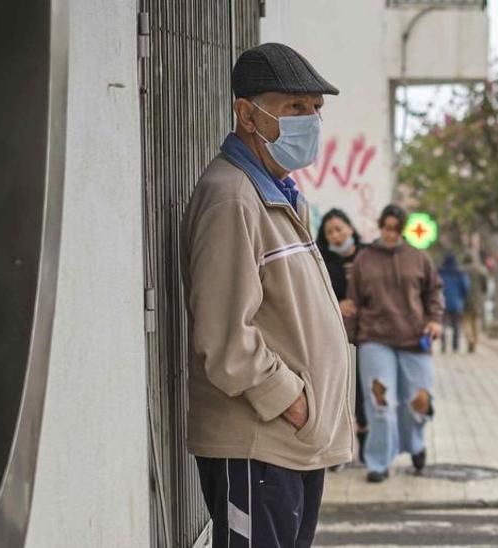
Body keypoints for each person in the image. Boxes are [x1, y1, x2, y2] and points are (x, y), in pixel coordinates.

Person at [181, 42, 351, 548]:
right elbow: (225, 336)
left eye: (316, 108)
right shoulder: (232, 196)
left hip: (289, 445)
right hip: (258, 444)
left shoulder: (277, 194)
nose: (311, 119)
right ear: (247, 115)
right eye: (294, 107)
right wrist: (291, 401)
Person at [348, 205, 444, 483]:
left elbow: (434, 292)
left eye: (396, 228)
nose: (390, 233)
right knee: (381, 402)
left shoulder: (418, 258)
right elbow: (354, 301)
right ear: (380, 226)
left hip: (415, 338)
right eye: (386, 227)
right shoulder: (364, 260)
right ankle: (379, 461)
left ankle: (415, 444)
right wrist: (350, 337)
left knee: (418, 400)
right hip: (375, 338)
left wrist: (435, 320)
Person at [315, 208, 368, 462]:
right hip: (337, 337)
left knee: (367, 392)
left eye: (339, 229)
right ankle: (338, 451)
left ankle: (366, 443)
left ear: (350, 227)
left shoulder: (368, 256)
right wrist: (339, 304)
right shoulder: (321, 261)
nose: (335, 235)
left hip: (370, 334)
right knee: (343, 392)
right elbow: (315, 295)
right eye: (329, 232)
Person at [438, 253, 470, 353]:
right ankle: (455, 346)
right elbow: (465, 287)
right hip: (457, 302)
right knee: (456, 325)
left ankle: (443, 344)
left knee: (442, 323)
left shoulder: (440, 272)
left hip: (442, 301)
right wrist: (461, 297)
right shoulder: (460, 273)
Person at [462, 254, 489, 353]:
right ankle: (475, 342)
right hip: (477, 299)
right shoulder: (480, 270)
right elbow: (485, 285)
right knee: (475, 322)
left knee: (465, 322)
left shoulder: (461, 270)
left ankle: (470, 340)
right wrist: (483, 292)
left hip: (464, 299)